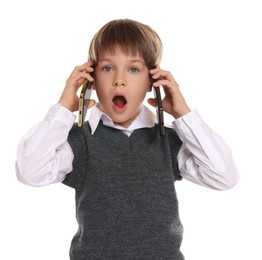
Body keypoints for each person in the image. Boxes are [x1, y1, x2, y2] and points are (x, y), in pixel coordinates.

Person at [16, 19, 239, 259]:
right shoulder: (79, 141)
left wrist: (183, 114)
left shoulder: (168, 141)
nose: (119, 80)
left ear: (152, 83)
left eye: (133, 69)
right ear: (90, 80)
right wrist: (62, 110)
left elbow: (224, 176)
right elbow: (29, 171)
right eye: (107, 68)